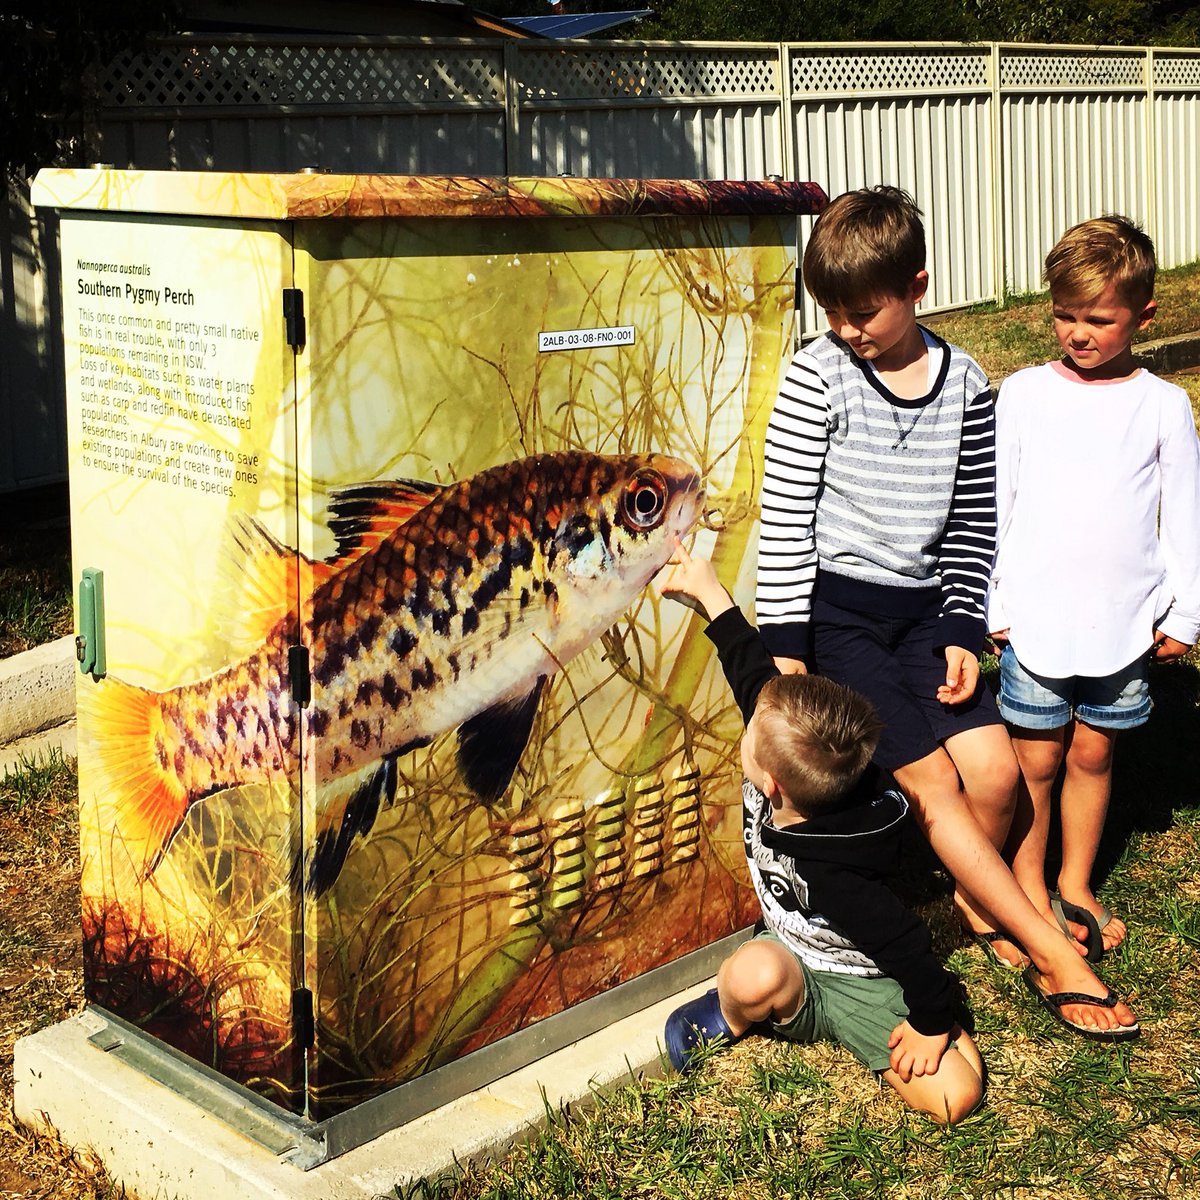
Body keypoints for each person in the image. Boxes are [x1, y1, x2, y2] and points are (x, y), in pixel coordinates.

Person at [754, 184, 1139, 1040]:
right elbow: (783, 522)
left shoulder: (966, 380)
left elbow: (971, 521)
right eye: (833, 311)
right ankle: (1047, 946)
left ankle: (971, 897)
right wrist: (784, 666)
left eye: (864, 311)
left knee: (997, 776)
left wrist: (964, 627)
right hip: (841, 621)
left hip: (927, 616)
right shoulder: (816, 377)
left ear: (916, 285)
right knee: (931, 782)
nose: (848, 329)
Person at [658, 540, 984, 1123]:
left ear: (771, 785)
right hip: (790, 948)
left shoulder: (838, 876)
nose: (749, 714)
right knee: (749, 976)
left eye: (751, 730)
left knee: (956, 1099)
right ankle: (729, 1018)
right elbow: (750, 669)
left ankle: (897, 1029)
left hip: (860, 976)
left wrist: (933, 1023)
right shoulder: (805, 766)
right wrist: (708, 591)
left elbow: (909, 947)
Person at [987, 215, 1200, 964]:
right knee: (1035, 760)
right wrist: (995, 601)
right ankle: (1029, 885)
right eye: (1065, 315)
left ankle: (1075, 880)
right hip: (1035, 621)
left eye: (1098, 319)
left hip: (1123, 626)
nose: (1078, 332)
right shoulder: (1022, 394)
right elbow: (996, 504)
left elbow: (1186, 518)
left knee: (1091, 757)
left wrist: (1187, 611)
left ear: (1144, 317)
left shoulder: (1164, 407)